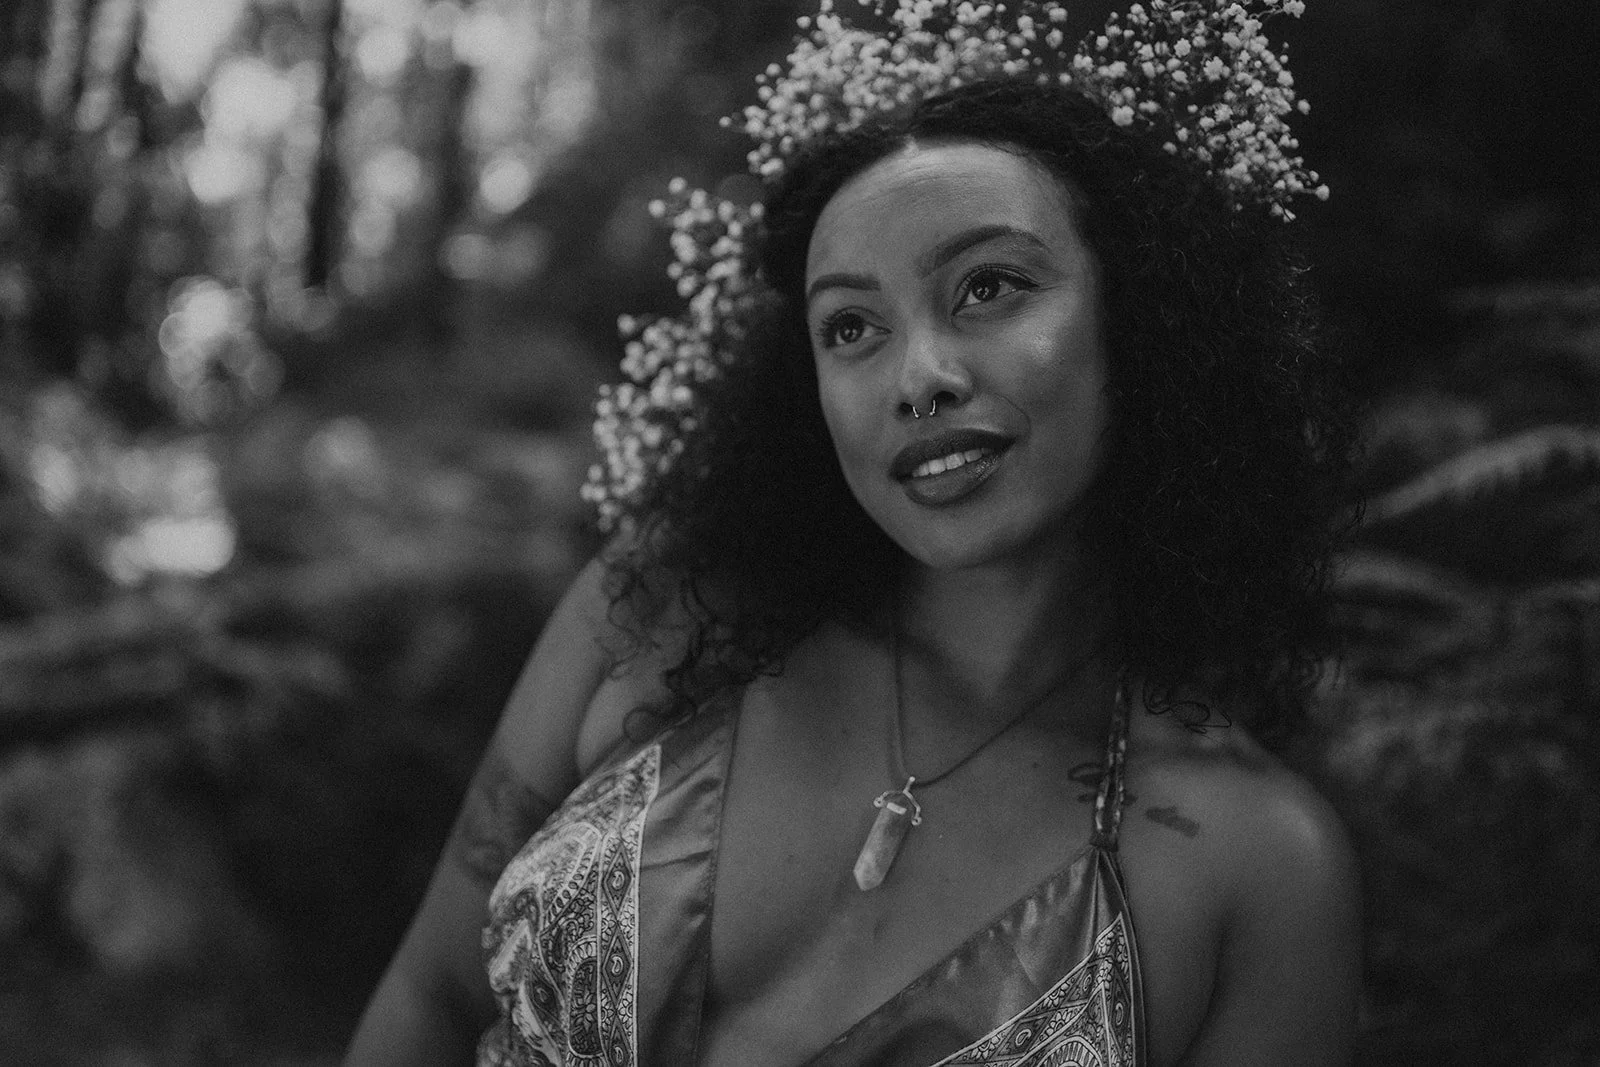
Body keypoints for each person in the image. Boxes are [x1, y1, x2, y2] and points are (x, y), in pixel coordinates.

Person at [346, 1, 1362, 1064]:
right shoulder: (659, 608)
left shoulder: (1254, 866)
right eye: (852, 327)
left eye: (987, 287)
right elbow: (430, 993)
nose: (919, 377)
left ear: (1143, 318)